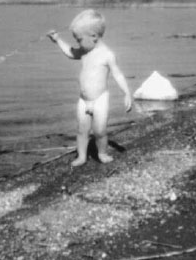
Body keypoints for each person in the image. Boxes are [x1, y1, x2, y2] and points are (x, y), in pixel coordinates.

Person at [47, 9, 132, 167]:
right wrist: (57, 40)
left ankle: (102, 152)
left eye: (79, 39)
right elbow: (71, 53)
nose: (77, 43)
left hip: (100, 99)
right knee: (82, 130)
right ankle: (82, 156)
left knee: (100, 131)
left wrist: (126, 93)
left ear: (94, 36)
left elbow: (118, 74)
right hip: (83, 99)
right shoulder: (85, 51)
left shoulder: (107, 54)